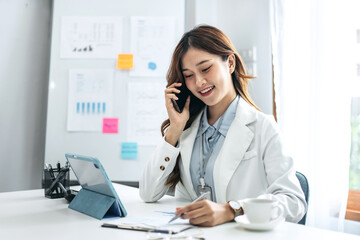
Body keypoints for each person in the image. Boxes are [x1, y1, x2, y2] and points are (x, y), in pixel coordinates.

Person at [139, 25, 306, 227]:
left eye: (205, 68)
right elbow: (148, 193)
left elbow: (294, 202)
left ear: (230, 63)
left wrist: (232, 210)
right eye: (189, 75)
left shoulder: (263, 127)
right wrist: (174, 129)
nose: (199, 82)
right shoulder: (186, 129)